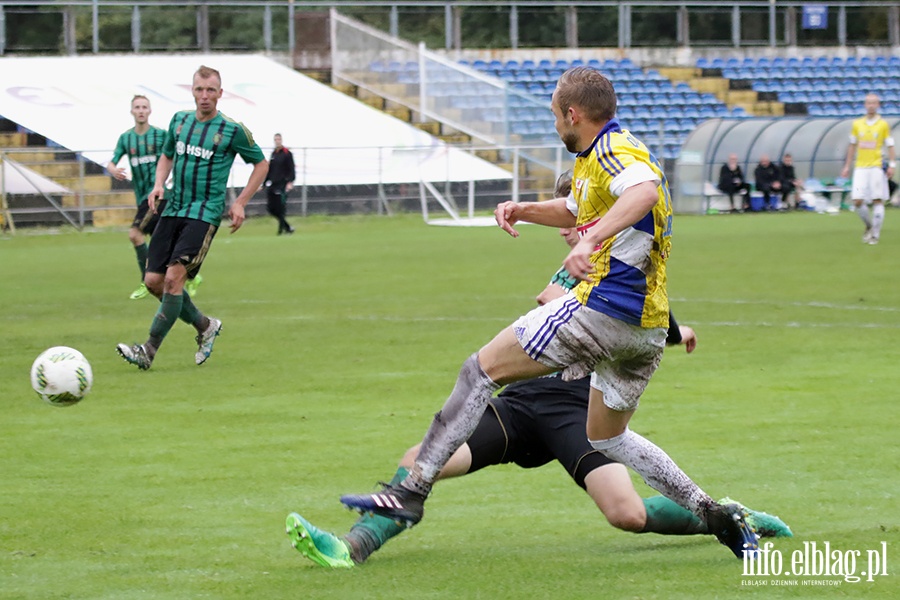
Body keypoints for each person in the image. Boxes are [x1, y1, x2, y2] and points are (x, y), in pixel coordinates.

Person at [341, 67, 758, 560]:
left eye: (555, 114)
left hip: (602, 311)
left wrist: (591, 241)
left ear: (572, 114)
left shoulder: (612, 151)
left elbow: (643, 193)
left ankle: (410, 495)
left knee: (481, 370)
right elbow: (576, 210)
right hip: (642, 333)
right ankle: (712, 511)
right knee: (609, 436)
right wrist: (523, 209)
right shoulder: (595, 160)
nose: (555, 122)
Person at [287, 174, 792, 568]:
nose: (573, 229)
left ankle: (724, 517)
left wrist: (675, 329)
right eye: (569, 221)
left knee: (627, 514)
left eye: (580, 218)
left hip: (578, 417)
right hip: (523, 407)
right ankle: (351, 546)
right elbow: (552, 298)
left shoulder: (619, 269)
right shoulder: (571, 269)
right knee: (422, 457)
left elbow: (637, 312)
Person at [116, 65, 268, 370]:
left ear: (220, 94)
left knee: (173, 280)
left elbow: (261, 165)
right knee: (152, 282)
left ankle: (148, 350)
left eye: (211, 90)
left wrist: (239, 203)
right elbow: (167, 155)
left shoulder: (231, 130)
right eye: (200, 89)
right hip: (173, 207)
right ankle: (204, 326)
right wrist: (159, 184)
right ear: (192, 91)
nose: (205, 96)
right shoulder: (180, 121)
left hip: (203, 214)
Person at [107, 95, 204, 300]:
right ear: (132, 111)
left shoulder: (160, 135)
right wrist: (114, 169)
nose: (141, 110)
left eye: (144, 107)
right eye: (137, 107)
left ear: (150, 111)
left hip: (159, 195)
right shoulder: (127, 138)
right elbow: (111, 162)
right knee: (164, 244)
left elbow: (175, 154)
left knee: (135, 234)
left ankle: (146, 279)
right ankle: (192, 275)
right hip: (142, 197)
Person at [841, 93, 895, 245]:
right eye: (868, 103)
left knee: (878, 200)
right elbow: (852, 146)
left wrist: (892, 164)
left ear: (878, 105)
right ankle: (869, 226)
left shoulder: (883, 125)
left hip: (876, 167)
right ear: (865, 105)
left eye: (874, 103)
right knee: (858, 200)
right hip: (860, 168)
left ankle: (875, 235)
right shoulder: (857, 124)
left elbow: (890, 145)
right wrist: (847, 166)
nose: (871, 105)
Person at [265, 133, 296, 235]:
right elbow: (270, 170)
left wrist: (290, 182)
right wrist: (264, 184)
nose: (277, 141)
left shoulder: (287, 153)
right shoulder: (273, 154)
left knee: (281, 208)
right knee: (271, 208)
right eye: (275, 139)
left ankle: (281, 231)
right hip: (273, 184)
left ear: (281, 140)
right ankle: (288, 227)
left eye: (279, 139)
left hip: (282, 184)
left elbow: (291, 169)